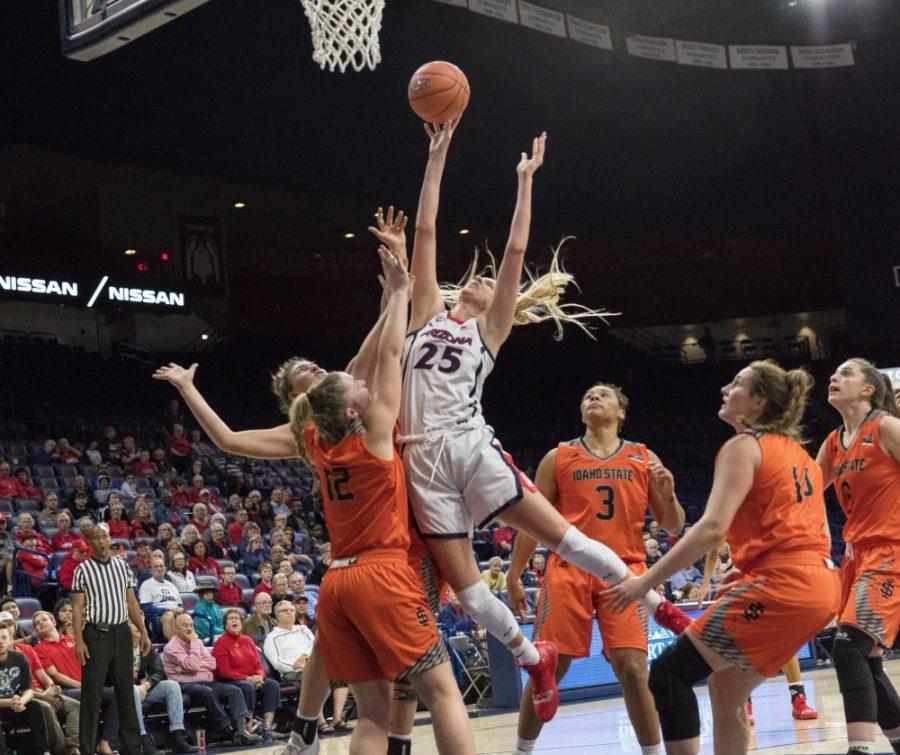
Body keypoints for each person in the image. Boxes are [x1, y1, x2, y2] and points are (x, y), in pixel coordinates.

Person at [395, 122, 689, 725]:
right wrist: (437, 151)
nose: (479, 278)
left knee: (572, 542)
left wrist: (525, 183)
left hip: (470, 445)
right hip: (418, 459)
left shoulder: (490, 328)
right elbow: (425, 230)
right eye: (471, 278)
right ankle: (531, 658)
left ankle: (660, 605)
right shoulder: (423, 313)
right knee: (471, 591)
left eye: (486, 281)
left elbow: (514, 255)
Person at [286, 244, 476, 755]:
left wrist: (394, 292)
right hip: (381, 572)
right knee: (444, 694)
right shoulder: (372, 437)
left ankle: (306, 727)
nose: (361, 380)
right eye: (354, 385)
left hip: (336, 583)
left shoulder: (315, 441)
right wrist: (400, 295)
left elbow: (360, 366)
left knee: (370, 715)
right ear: (351, 406)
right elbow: (388, 354)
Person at [605, 361, 840, 754]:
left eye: (737, 384)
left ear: (758, 402)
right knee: (726, 688)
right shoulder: (801, 456)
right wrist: (754, 568)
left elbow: (712, 529)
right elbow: (817, 534)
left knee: (667, 674)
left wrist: (645, 581)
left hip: (784, 586)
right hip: (820, 586)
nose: (724, 389)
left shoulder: (743, 446)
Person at [507, 381, 685, 755]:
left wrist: (667, 494)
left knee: (634, 670)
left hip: (625, 572)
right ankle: (521, 751)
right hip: (568, 569)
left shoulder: (643, 456)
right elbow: (531, 522)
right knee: (549, 668)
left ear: (620, 412)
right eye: (587, 394)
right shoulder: (559, 456)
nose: (592, 397)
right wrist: (513, 574)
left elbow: (673, 525)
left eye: (603, 394)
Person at [815, 358, 900, 754]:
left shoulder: (885, 427)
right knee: (866, 660)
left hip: (891, 552)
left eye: (846, 373)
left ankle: (860, 750)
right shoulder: (833, 442)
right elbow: (805, 496)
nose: (834, 377)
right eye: (834, 373)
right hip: (856, 557)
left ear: (868, 389)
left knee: (848, 645)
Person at [72, 522, 153, 755]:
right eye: (95, 538)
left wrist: (144, 632)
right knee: (92, 695)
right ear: (90, 542)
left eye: (103, 537)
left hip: (121, 633)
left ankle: (132, 747)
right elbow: (77, 609)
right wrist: (79, 640)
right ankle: (87, 749)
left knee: (126, 692)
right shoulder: (83, 570)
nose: (100, 541)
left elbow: (132, 603)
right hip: (96, 634)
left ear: (110, 539)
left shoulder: (122, 567)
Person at [162, 613, 262, 746]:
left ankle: (241, 730)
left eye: (191, 625)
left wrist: (190, 668)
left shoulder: (197, 642)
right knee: (206, 691)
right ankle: (227, 727)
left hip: (206, 681)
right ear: (175, 629)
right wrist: (193, 649)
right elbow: (193, 665)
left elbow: (212, 663)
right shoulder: (171, 647)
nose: (189, 629)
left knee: (235, 690)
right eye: (185, 625)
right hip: (184, 684)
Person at [34, 610, 119, 755]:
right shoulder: (39, 649)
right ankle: (81, 747)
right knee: (91, 696)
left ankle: (105, 742)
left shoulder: (73, 640)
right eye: (36, 623)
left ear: (54, 622)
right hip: (67, 690)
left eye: (44, 620)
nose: (40, 623)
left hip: (86, 686)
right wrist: (82, 686)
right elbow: (54, 675)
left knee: (116, 694)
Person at [0, 611, 79, 755]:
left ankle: (73, 746)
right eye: (4, 625)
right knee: (43, 706)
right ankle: (60, 751)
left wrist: (51, 688)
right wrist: (43, 696)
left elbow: (43, 676)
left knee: (75, 705)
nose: (8, 628)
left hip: (38, 693)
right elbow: (16, 689)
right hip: (24, 697)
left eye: (11, 624)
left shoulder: (25, 651)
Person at [127, 620, 198, 753]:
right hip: (123, 690)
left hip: (142, 688)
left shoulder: (146, 646)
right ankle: (143, 741)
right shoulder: (118, 647)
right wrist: (137, 686)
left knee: (171, 686)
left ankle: (178, 737)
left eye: (141, 623)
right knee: (133, 690)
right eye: (134, 623)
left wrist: (146, 685)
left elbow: (159, 672)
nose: (138, 626)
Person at [212, 609, 283, 738]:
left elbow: (258, 665)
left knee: (272, 685)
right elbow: (223, 671)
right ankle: (247, 729)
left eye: (237, 618)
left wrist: (260, 676)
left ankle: (266, 728)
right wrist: (247, 678)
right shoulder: (221, 643)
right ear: (225, 625)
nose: (234, 620)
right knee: (247, 686)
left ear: (242, 623)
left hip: (252, 678)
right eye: (231, 618)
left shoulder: (248, 640)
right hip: (230, 681)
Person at [0, 624, 51, 754]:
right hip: (5, 704)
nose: (0, 641)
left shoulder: (19, 658)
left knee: (34, 706)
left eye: (4, 637)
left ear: (10, 640)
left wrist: (21, 701)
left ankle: (43, 751)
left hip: (15, 704)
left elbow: (28, 690)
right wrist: (10, 703)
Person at [139, 556, 185, 640]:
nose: (159, 569)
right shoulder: (146, 585)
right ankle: (173, 649)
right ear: (151, 570)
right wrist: (167, 610)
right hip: (157, 619)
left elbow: (180, 604)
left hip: (175, 614)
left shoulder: (171, 585)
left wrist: (180, 609)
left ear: (165, 569)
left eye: (161, 566)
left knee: (185, 617)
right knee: (169, 616)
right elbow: (145, 607)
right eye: (156, 566)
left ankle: (191, 647)